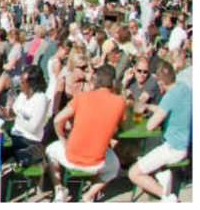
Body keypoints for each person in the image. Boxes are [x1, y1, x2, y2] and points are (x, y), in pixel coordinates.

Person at [45, 65, 125, 202]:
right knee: (115, 166)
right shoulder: (120, 101)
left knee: (49, 150)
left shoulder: (82, 97)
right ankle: (88, 196)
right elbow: (121, 127)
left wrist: (62, 137)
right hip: (97, 162)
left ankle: (59, 190)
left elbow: (58, 120)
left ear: (95, 81)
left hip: (71, 157)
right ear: (113, 83)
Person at [127, 61, 191, 202]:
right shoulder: (184, 88)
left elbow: (150, 125)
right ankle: (163, 176)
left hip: (173, 148)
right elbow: (167, 110)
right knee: (144, 152)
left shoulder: (169, 96)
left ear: (161, 82)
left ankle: (167, 196)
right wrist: (150, 106)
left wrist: (147, 108)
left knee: (134, 173)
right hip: (183, 143)